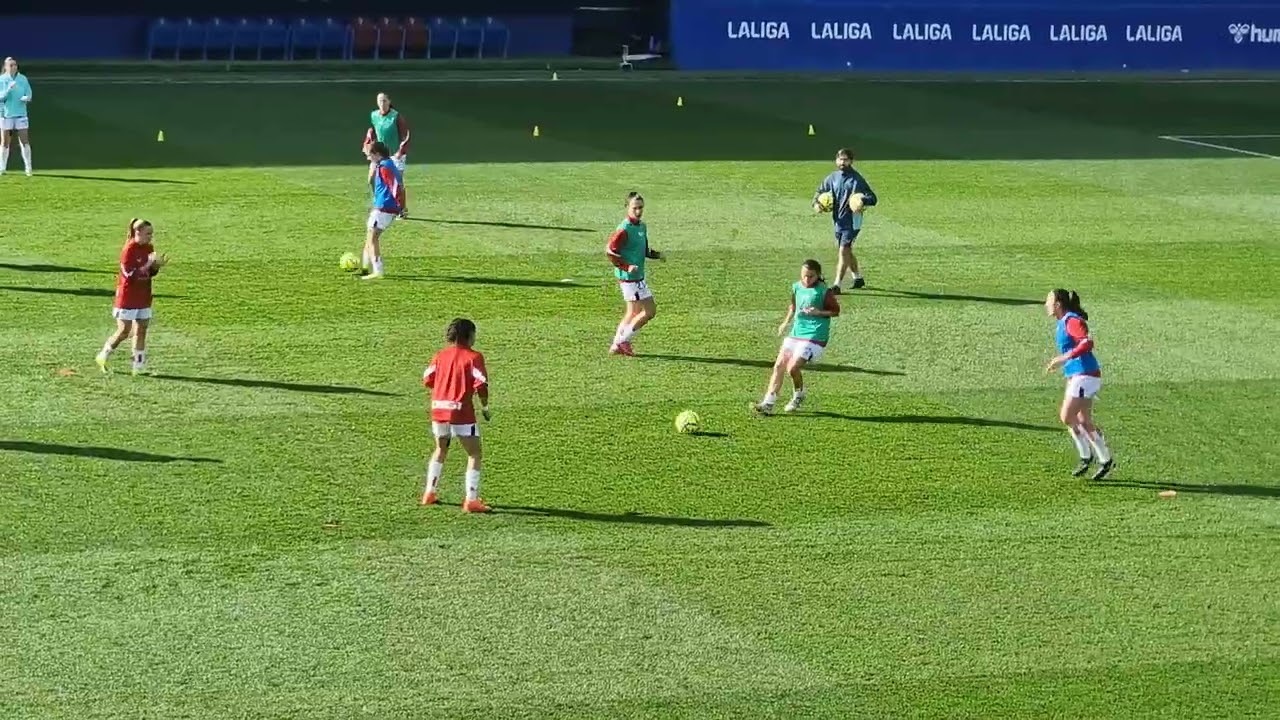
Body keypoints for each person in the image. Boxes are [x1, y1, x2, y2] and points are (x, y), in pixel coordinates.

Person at [421, 318, 492, 513]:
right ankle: (471, 499)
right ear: (469, 336)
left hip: (438, 409)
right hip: (461, 412)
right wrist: (484, 406)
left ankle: (429, 492)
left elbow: (427, 379)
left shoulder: (440, 355)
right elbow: (481, 384)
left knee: (440, 450)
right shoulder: (474, 357)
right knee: (474, 453)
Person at [753, 259, 841, 415]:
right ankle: (768, 403)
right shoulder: (797, 287)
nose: (807, 280)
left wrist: (818, 312)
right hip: (796, 333)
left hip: (815, 336)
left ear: (818, 275)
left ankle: (799, 394)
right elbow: (793, 305)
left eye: (811, 276)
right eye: (804, 276)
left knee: (792, 368)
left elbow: (835, 311)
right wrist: (785, 322)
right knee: (779, 365)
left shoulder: (823, 291)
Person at [1044, 289, 1114, 480]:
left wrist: (1063, 358)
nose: (1046, 304)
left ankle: (1087, 455)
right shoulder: (1062, 322)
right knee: (1083, 420)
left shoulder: (1071, 321)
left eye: (1048, 300)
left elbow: (1086, 343)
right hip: (1078, 375)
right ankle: (1104, 459)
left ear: (1058, 304)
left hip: (1085, 375)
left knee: (1066, 416)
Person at [96, 219, 167, 375]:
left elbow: (149, 273)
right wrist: (148, 264)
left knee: (142, 329)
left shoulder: (149, 248)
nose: (151, 237)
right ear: (137, 232)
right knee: (124, 331)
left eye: (151, 234)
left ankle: (138, 366)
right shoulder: (128, 250)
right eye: (148, 234)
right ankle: (103, 355)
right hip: (127, 297)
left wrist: (156, 266)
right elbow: (130, 275)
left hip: (144, 295)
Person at [605, 191, 663, 356]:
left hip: (637, 277)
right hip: (630, 279)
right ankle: (623, 341)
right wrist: (626, 267)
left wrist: (658, 255)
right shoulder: (624, 229)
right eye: (635, 208)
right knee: (648, 312)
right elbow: (610, 251)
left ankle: (616, 345)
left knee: (633, 313)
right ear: (627, 208)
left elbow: (644, 250)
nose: (638, 211)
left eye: (641, 208)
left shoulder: (642, 226)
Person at [813, 148, 877, 292]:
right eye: (840, 159)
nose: (842, 162)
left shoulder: (856, 179)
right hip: (838, 221)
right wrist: (816, 204)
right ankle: (858, 278)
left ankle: (837, 285)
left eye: (846, 159)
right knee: (847, 251)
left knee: (843, 251)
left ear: (851, 161)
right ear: (836, 160)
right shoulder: (832, 178)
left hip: (853, 222)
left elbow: (873, 198)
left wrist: (862, 200)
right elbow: (819, 192)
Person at [360, 141, 405, 280]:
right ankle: (364, 266)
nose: (368, 158)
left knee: (372, 237)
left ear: (377, 154)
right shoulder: (386, 164)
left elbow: (396, 187)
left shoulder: (385, 167)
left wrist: (400, 207)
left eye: (370, 155)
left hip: (385, 208)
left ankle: (377, 270)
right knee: (371, 235)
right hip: (382, 207)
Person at [362, 93, 411, 218]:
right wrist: (368, 144)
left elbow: (405, 135)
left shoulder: (396, 116)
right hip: (379, 154)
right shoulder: (374, 115)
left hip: (395, 154)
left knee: (397, 182)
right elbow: (372, 130)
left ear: (389, 101)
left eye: (384, 101)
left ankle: (402, 208)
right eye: (379, 101)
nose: (382, 104)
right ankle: (378, 203)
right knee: (372, 179)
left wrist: (400, 151)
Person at [0, 57, 33, 176]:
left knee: (24, 140)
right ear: (6, 67)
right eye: (11, 65)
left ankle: (28, 168)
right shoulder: (2, 80)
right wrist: (8, 90)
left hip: (21, 114)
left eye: (15, 65)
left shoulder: (22, 79)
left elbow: (29, 93)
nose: (13, 67)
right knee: (4, 142)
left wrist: (27, 98)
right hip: (6, 114)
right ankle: (2, 167)